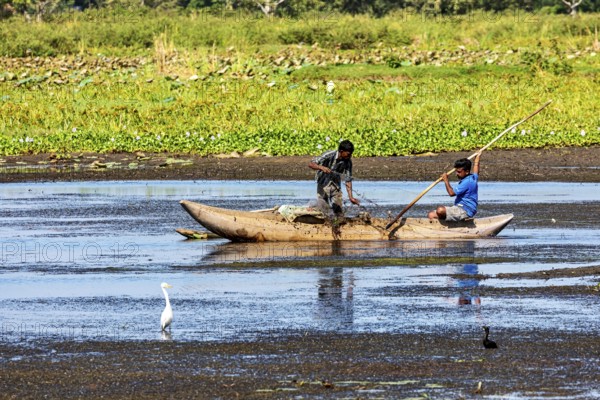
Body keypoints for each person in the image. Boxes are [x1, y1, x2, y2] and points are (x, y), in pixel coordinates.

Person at [308, 140, 360, 219]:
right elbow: (311, 164)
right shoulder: (329, 155)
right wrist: (321, 167)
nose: (350, 156)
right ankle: (314, 209)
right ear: (341, 151)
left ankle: (338, 223)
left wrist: (351, 197)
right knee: (323, 207)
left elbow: (348, 180)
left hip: (336, 185)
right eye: (348, 154)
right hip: (323, 183)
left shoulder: (348, 162)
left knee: (338, 209)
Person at [428, 152, 481, 221]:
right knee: (431, 215)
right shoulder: (473, 177)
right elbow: (476, 168)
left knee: (440, 210)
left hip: (465, 210)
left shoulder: (467, 182)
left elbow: (451, 193)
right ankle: (445, 227)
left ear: (467, 171)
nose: (456, 174)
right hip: (458, 208)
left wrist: (446, 180)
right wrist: (477, 158)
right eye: (456, 171)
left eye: (459, 172)